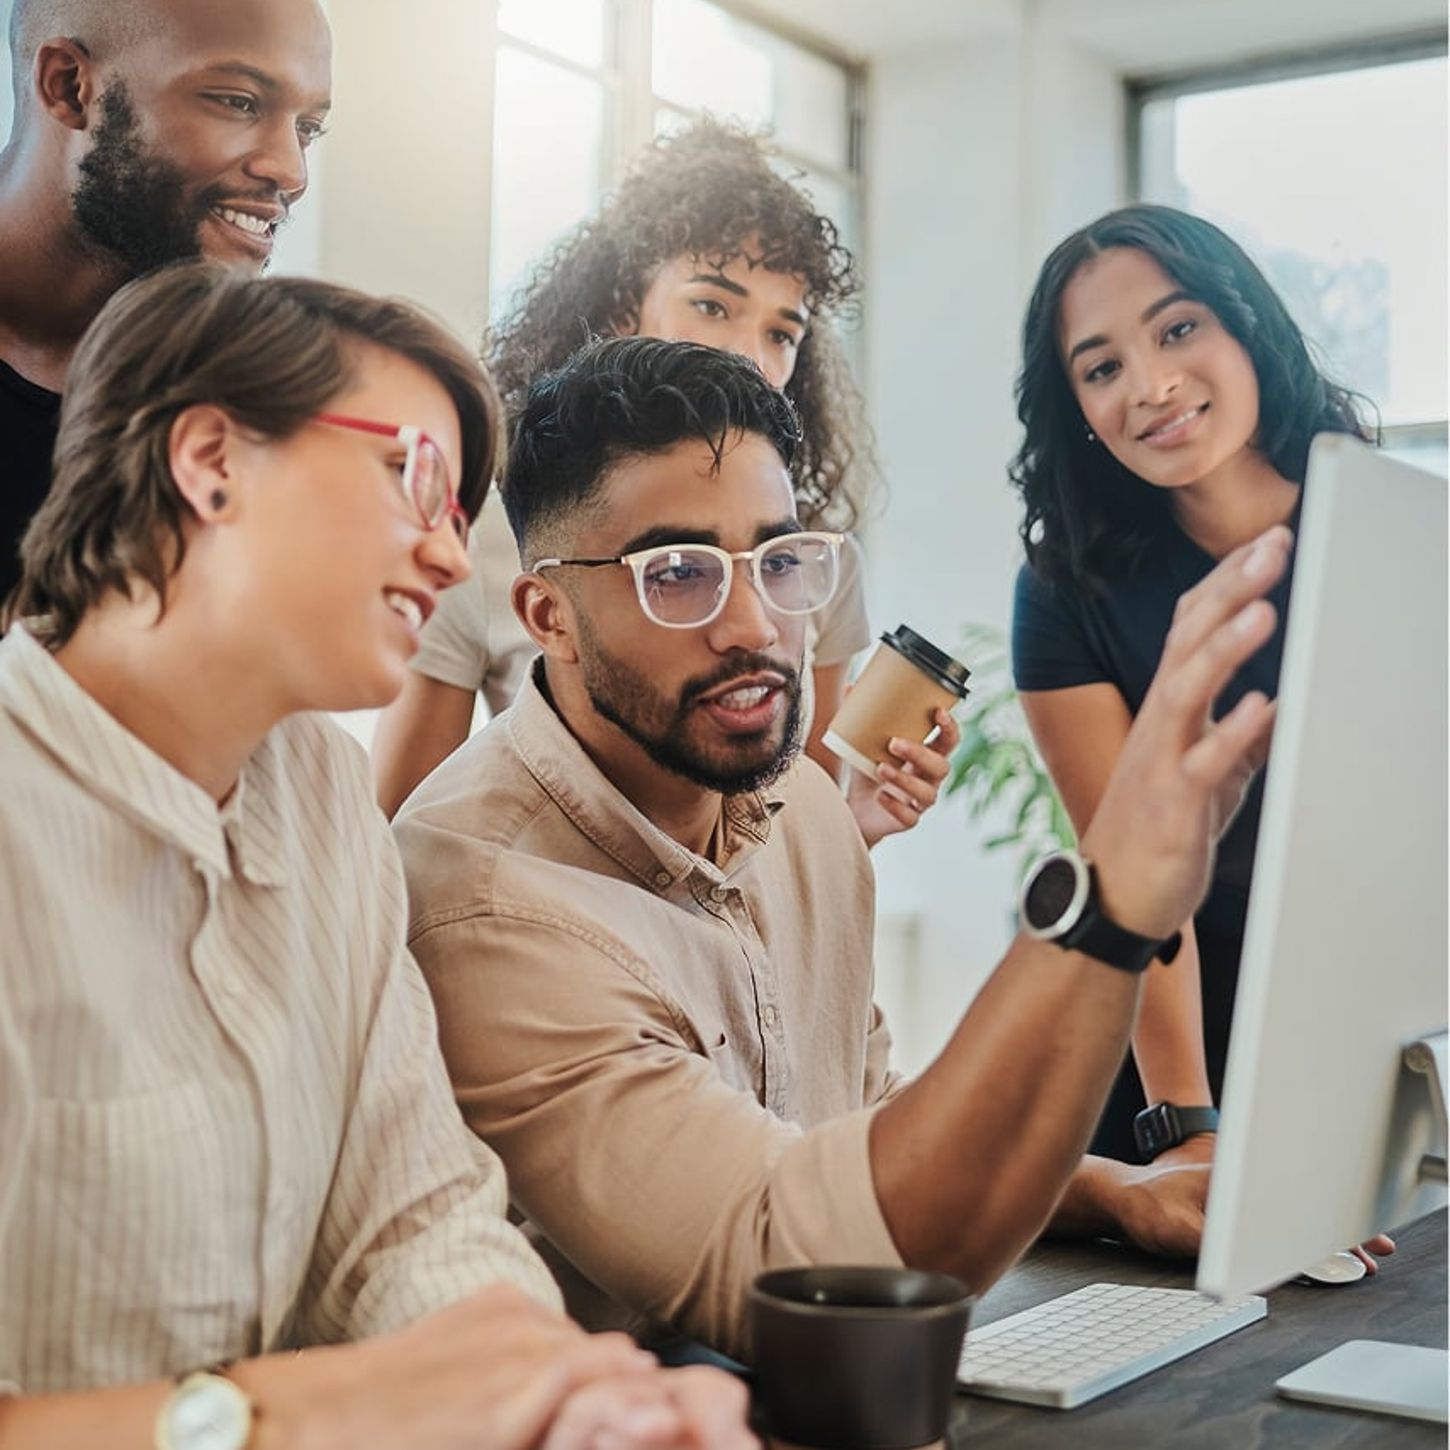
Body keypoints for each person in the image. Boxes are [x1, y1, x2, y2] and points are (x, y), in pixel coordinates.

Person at [394, 334, 1293, 1361]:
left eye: (779, 561)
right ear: (547, 614)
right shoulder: (480, 905)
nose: (753, 624)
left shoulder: (804, 809)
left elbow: (853, 1125)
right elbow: (804, 1263)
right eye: (677, 572)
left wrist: (1117, 1190)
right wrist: (1110, 905)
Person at [0, 266, 753, 1450]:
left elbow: (410, 1217)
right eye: (416, 480)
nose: (454, 562)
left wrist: (582, 1402)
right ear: (209, 461)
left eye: (462, 517)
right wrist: (277, 1415)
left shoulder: (322, 801)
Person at [373, 119, 958, 846]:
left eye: (782, 332)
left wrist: (859, 827)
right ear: (624, 309)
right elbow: (398, 839)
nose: (752, 356)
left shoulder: (813, 562)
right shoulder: (486, 543)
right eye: (713, 306)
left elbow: (794, 839)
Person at [1009, 204, 1375, 1171]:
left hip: (1379, 1037)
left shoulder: (1396, 532)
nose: (1153, 384)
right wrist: (1186, 1127)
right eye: (1102, 367)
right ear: (1077, 410)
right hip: (1177, 1065)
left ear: (1244, 323)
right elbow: (1135, 881)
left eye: (1177, 329)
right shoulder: (1066, 591)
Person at [0, 0, 332, 602]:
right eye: (238, 102)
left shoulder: (238, 408)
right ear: (70, 87)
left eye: (307, 128)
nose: (291, 172)